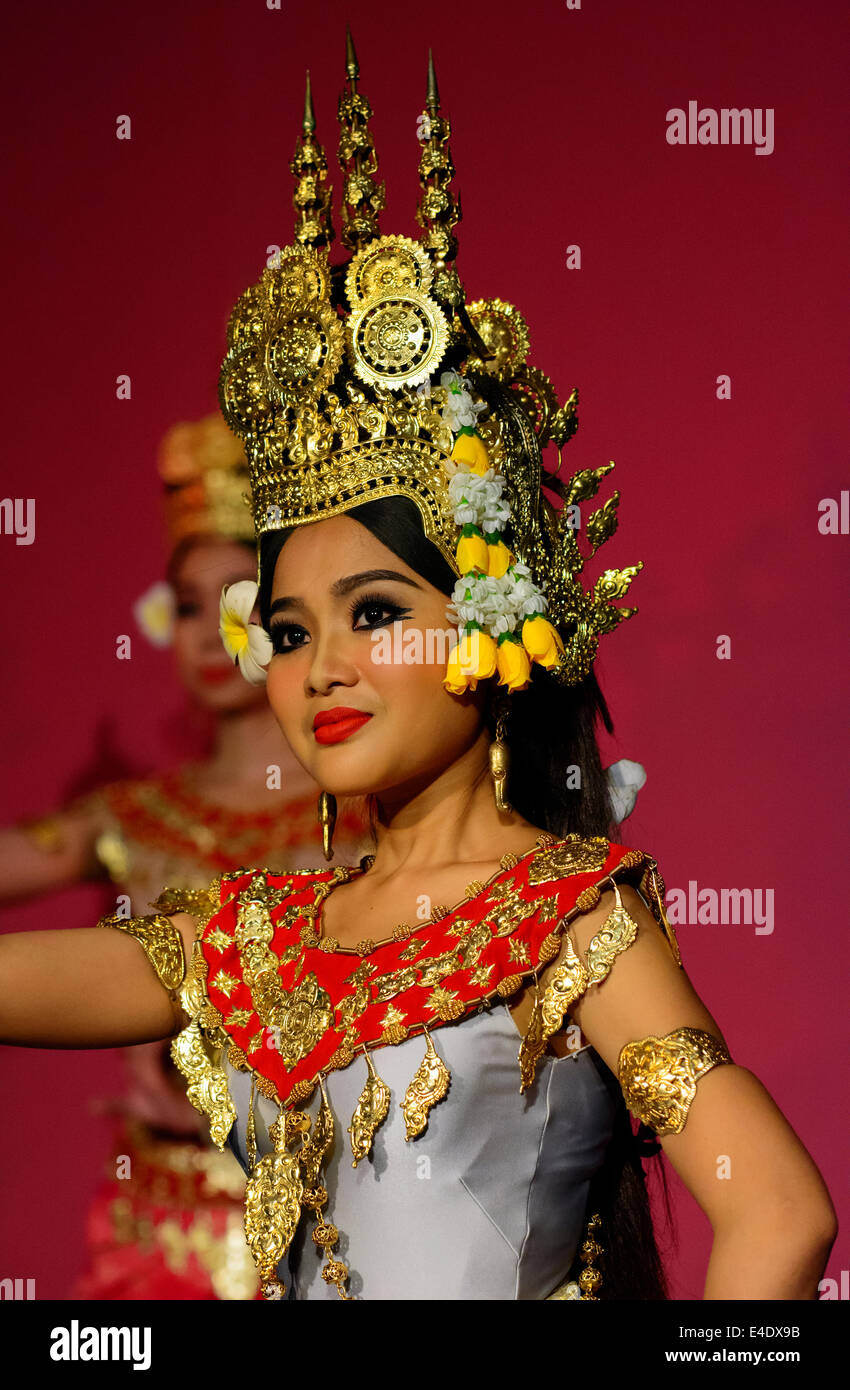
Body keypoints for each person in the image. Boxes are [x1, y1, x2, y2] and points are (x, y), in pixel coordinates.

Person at [0, 37, 836, 1301]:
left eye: (375, 612)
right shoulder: (257, 939)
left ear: (493, 624)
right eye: (286, 633)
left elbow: (778, 1214)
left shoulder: (573, 922)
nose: (321, 669)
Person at [0, 413, 367, 1300]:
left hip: (324, 1217)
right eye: (187, 605)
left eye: (238, 602)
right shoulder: (135, 816)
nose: (208, 633)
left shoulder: (366, 821)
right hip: (153, 1223)